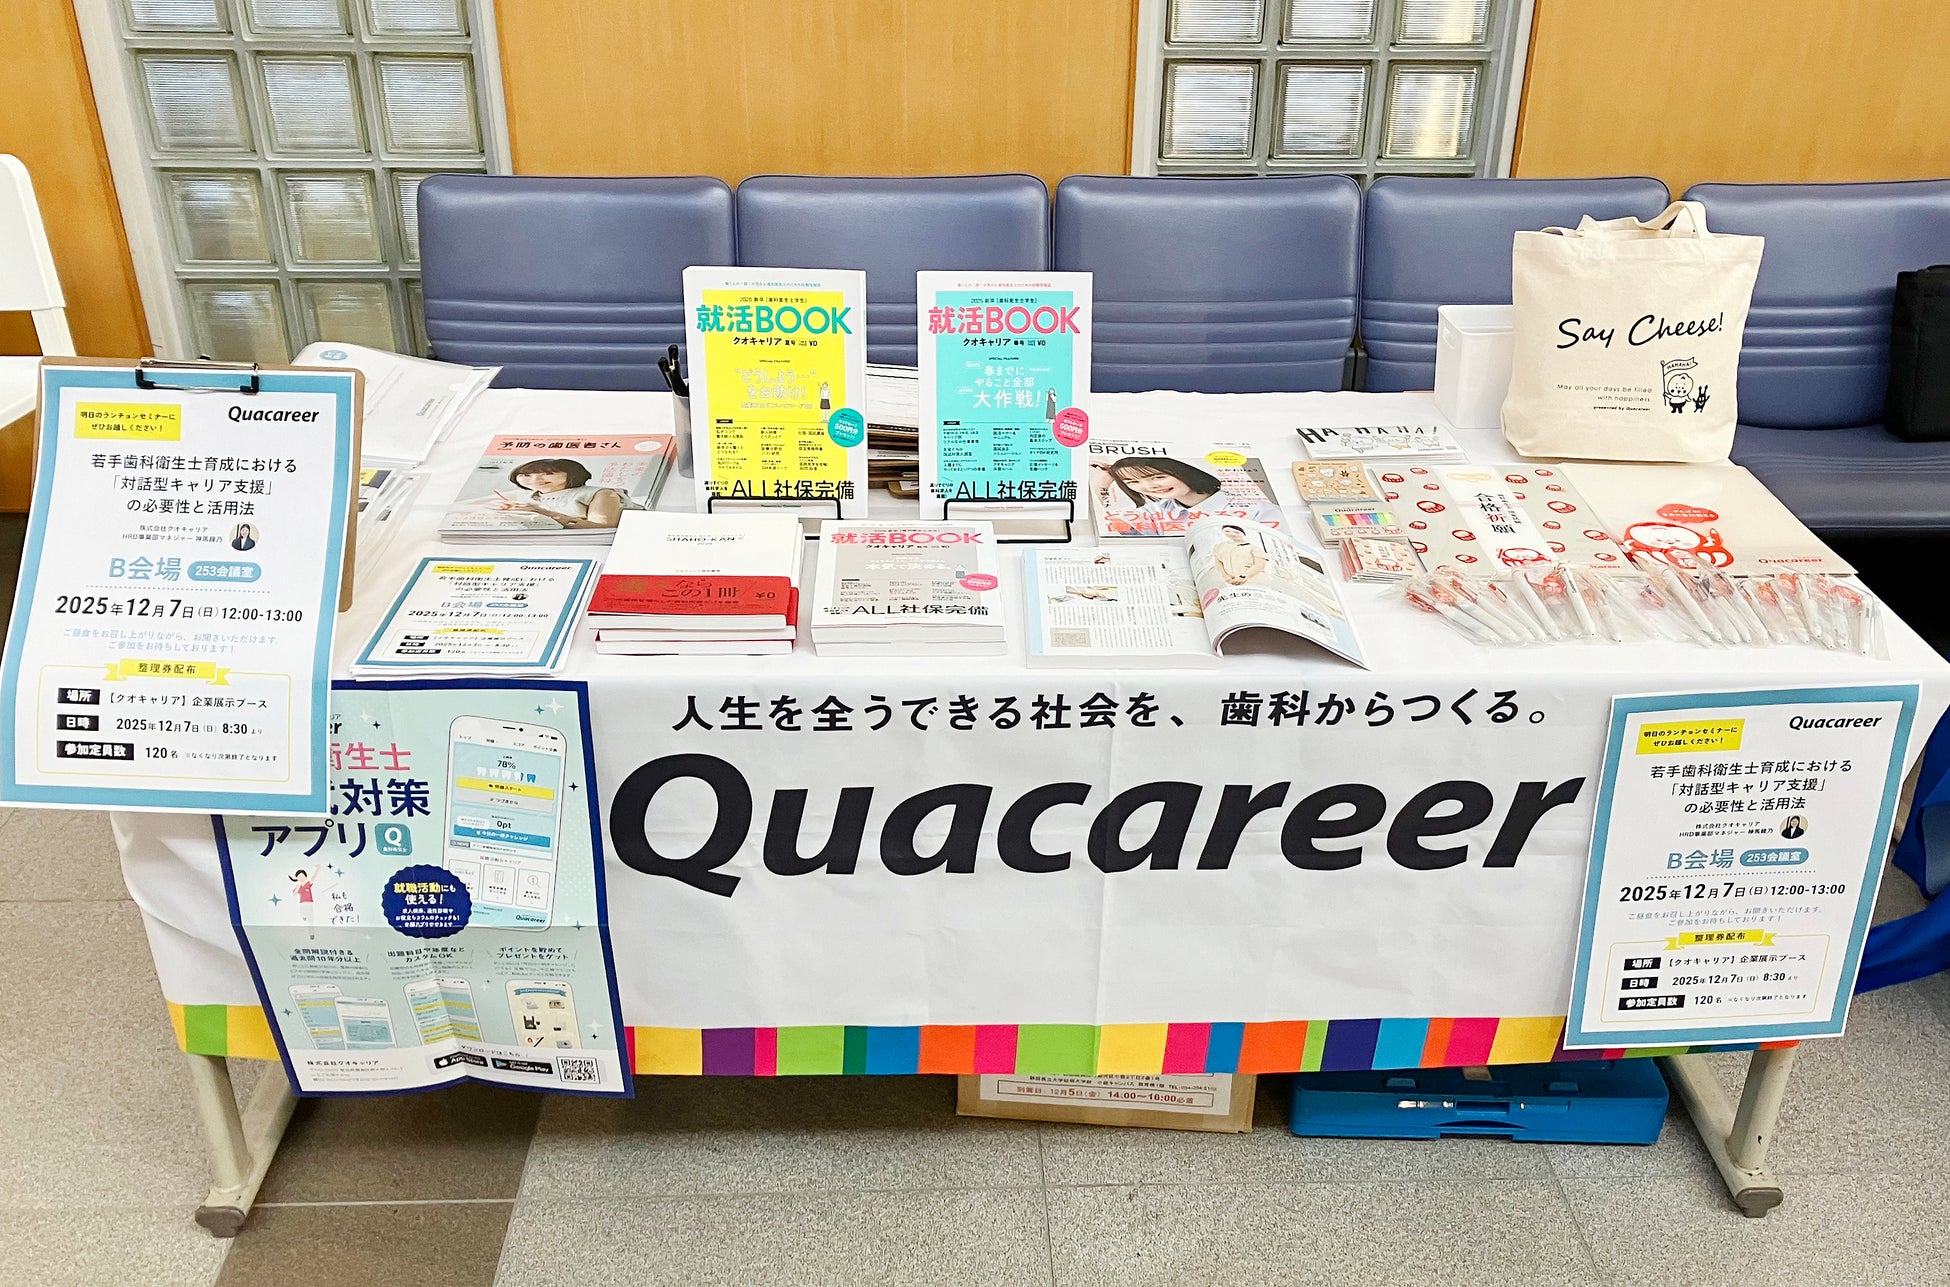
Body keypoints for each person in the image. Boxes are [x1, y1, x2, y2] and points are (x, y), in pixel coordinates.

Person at [1095, 456, 1283, 529]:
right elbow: (1103, 525)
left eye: (1158, 477)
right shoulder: (1155, 512)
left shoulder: (1258, 510)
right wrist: (1103, 481)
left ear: (1182, 472)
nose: (1150, 487)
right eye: (1133, 482)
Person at [491, 458, 640, 530]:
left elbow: (603, 528)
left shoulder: (602, 494)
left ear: (572, 474)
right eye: (526, 475)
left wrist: (541, 512)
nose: (535, 480)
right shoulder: (527, 495)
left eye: (548, 474)